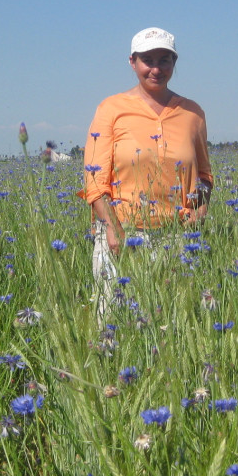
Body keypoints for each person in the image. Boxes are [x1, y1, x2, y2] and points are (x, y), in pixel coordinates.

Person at [83, 27, 213, 305]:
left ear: (174, 63)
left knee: (173, 324)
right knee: (114, 323)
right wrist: (113, 228)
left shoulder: (192, 113)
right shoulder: (111, 109)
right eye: (147, 60)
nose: (156, 68)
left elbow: (204, 176)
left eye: (164, 60)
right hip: (122, 234)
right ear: (133, 62)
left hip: (177, 237)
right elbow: (95, 181)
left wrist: (199, 210)